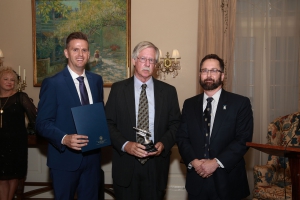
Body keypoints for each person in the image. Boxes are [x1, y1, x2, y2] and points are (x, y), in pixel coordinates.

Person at [105, 41, 181, 200]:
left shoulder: (168, 92)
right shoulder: (118, 89)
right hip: (126, 165)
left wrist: (164, 143)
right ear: (134, 61)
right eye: (143, 59)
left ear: (156, 64)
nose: (147, 64)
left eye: (151, 60)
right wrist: (126, 145)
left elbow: (176, 124)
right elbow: (108, 123)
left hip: (156, 166)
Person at [36, 32, 104, 200]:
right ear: (66, 53)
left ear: (89, 53)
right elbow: (42, 123)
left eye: (84, 50)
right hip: (64, 161)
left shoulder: (97, 81)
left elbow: (98, 115)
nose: (80, 54)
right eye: (75, 50)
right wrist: (65, 138)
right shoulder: (53, 84)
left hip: (92, 161)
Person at [176, 54, 253, 200]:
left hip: (229, 182)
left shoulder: (240, 103)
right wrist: (194, 161)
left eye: (214, 70)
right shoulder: (189, 104)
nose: (208, 75)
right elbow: (181, 137)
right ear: (200, 75)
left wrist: (216, 162)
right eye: (204, 70)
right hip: (196, 182)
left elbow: (243, 139)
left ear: (222, 76)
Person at [0, 66, 37, 200]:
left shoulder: (20, 97)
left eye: (12, 80)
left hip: (16, 142)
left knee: (14, 175)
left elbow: (34, 117)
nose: (9, 82)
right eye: (6, 79)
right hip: (0, 143)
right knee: (2, 177)